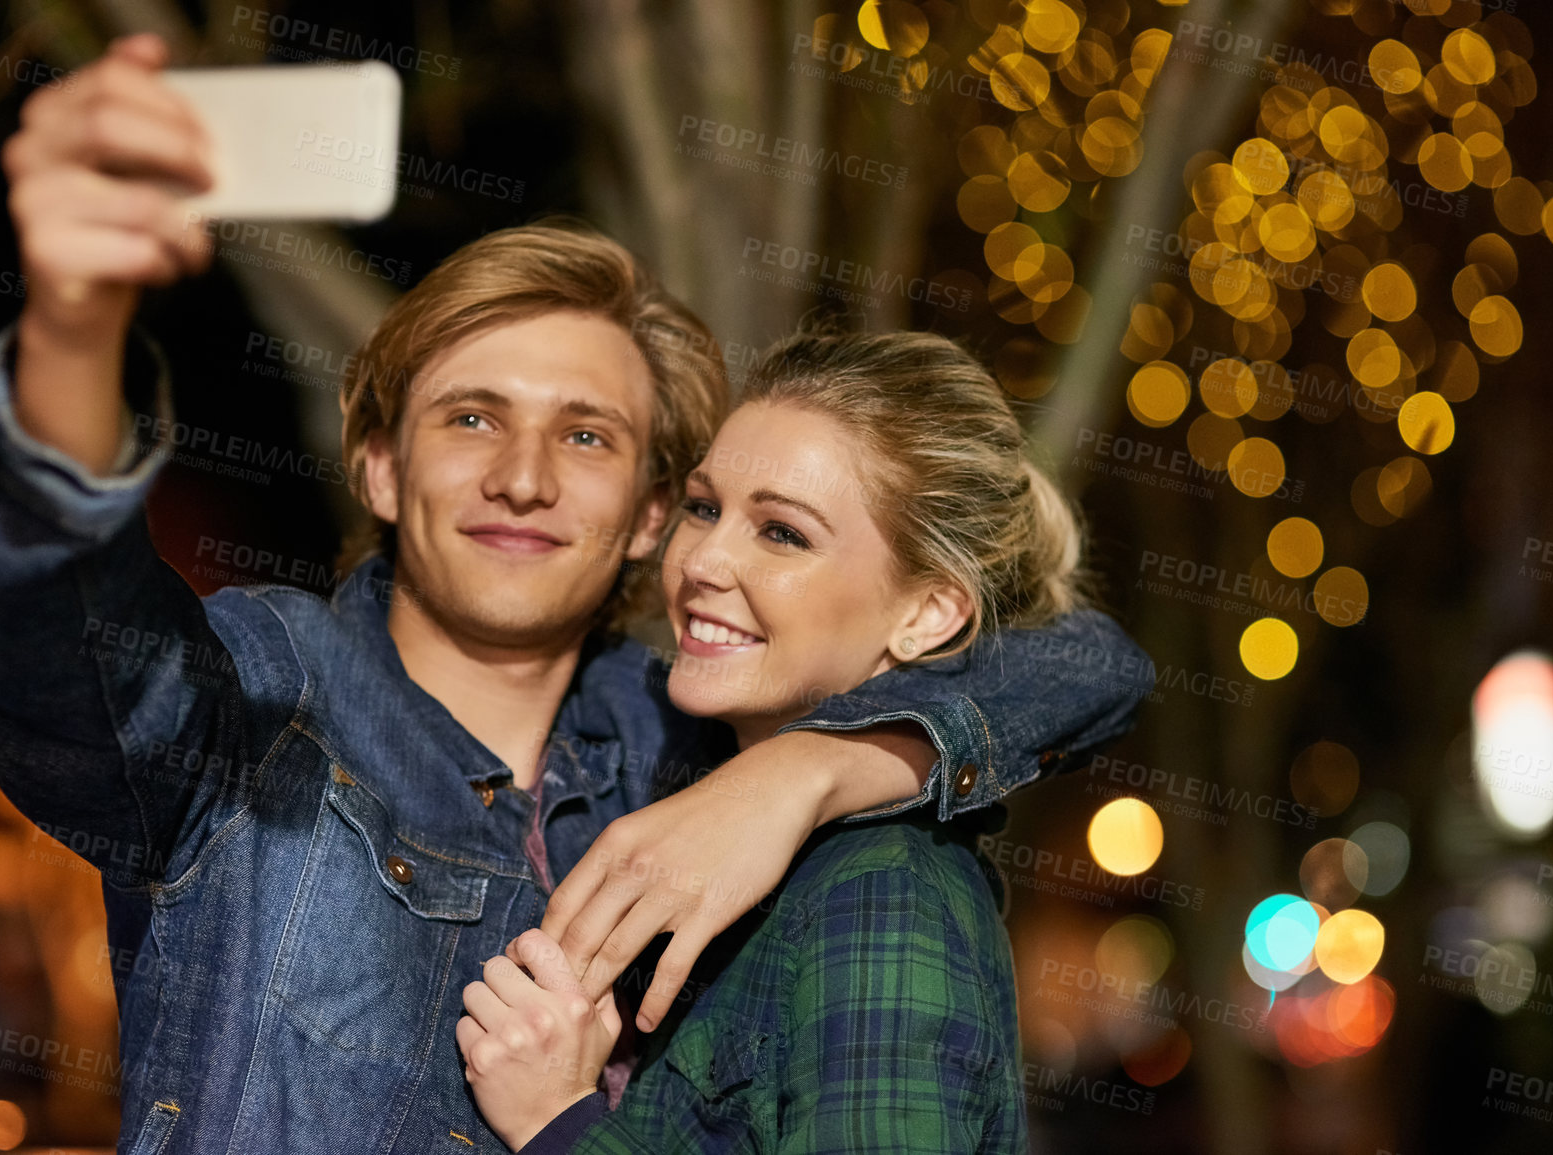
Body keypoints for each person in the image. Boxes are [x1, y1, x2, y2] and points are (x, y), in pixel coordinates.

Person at [0, 32, 1150, 1155]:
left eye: (586, 439)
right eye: (471, 419)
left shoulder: (691, 734)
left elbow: (1088, 662)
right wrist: (74, 329)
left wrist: (812, 770)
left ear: (650, 517)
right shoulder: (256, 703)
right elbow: (59, 644)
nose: (520, 478)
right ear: (382, 469)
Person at [460, 329, 1086, 1153]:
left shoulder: (883, 896)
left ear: (928, 612)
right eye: (704, 507)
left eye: (782, 533)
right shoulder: (702, 791)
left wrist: (558, 1121)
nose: (704, 562)